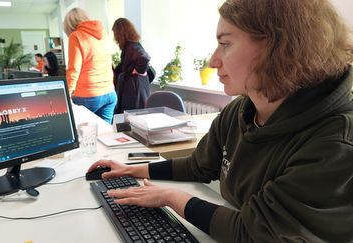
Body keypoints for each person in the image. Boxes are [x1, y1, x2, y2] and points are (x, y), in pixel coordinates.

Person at [88, 0, 353, 242]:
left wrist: (170, 197)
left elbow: (253, 233)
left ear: (280, 47)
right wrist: (134, 170)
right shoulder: (240, 110)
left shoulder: (336, 142)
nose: (213, 61)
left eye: (225, 44)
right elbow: (200, 166)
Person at [63, 8, 117, 123]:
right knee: (104, 134)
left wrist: (66, 95)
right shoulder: (103, 34)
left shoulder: (76, 36)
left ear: (69, 25)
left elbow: (73, 70)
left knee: (82, 135)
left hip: (88, 95)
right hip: (109, 93)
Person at [112, 18, 151, 114]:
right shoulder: (132, 45)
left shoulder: (132, 46)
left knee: (132, 116)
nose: (115, 37)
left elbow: (144, 57)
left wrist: (138, 70)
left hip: (134, 87)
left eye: (115, 33)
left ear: (120, 33)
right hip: (135, 86)